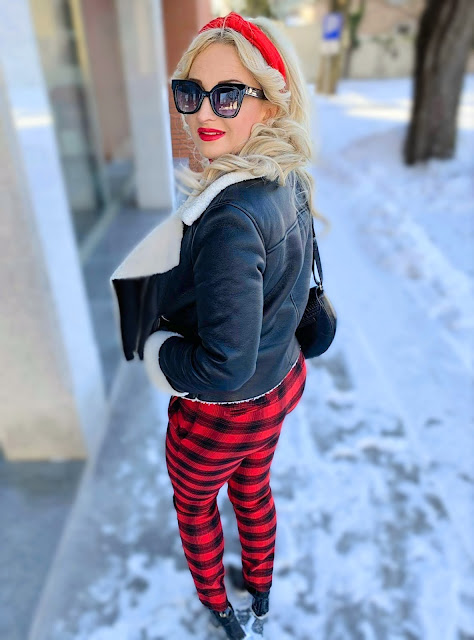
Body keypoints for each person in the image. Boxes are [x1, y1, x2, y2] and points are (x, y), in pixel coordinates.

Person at [110, 10, 328, 640]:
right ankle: (261, 588)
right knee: (253, 489)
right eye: (191, 92)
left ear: (270, 101)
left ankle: (219, 604)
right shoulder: (286, 176)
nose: (205, 111)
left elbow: (222, 367)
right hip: (281, 381)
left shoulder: (230, 217)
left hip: (223, 412)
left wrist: (159, 350)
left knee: (196, 502)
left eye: (229, 94)